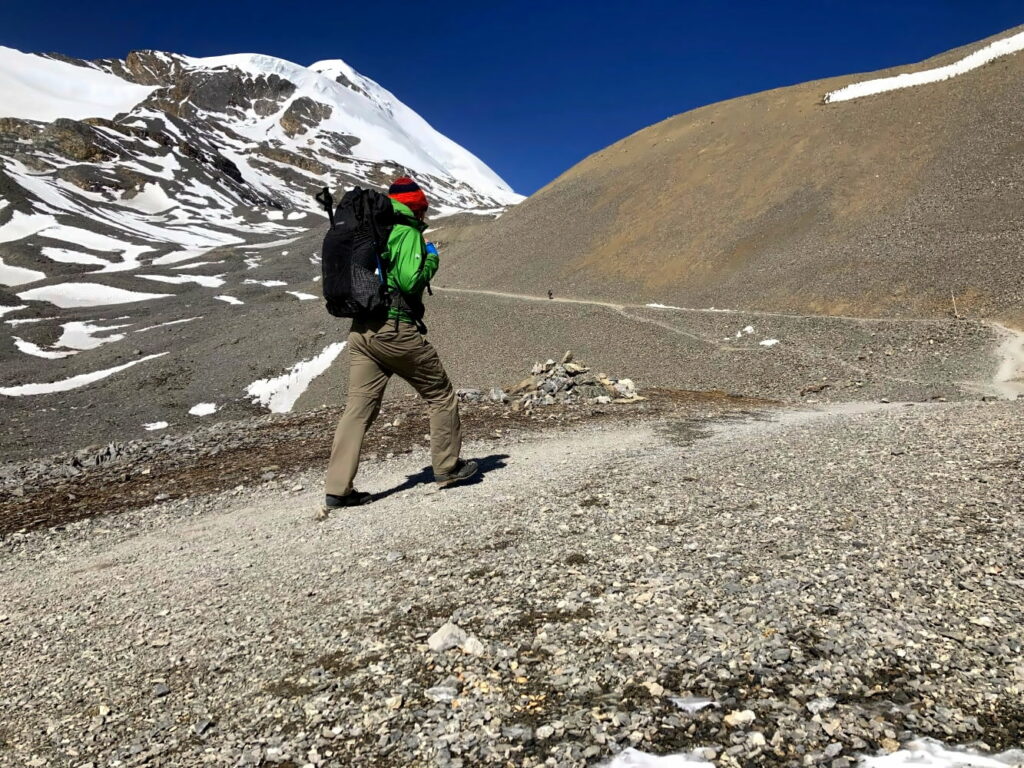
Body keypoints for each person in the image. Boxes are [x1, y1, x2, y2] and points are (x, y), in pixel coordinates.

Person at [321, 177, 478, 515]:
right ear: (417, 208)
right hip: (394, 328)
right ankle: (447, 468)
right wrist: (432, 259)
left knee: (358, 408)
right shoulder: (406, 230)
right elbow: (409, 280)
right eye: (423, 209)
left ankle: (337, 489)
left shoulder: (371, 227)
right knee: (440, 395)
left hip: (362, 331)